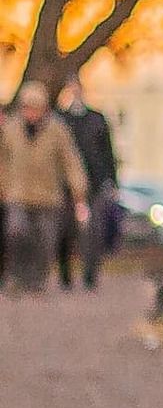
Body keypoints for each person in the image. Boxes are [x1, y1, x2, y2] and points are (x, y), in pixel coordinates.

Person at [0, 81, 89, 293]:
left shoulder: (57, 130)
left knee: (45, 241)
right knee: (16, 233)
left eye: (34, 108)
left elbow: (71, 161)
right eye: (26, 108)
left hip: (48, 197)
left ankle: (37, 281)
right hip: (17, 194)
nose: (30, 113)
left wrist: (78, 189)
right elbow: (2, 159)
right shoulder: (10, 129)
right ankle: (17, 278)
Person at [57, 76, 119, 289]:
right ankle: (66, 276)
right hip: (65, 186)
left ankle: (90, 276)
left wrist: (111, 181)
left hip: (94, 183)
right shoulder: (60, 120)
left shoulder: (96, 119)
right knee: (66, 231)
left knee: (94, 231)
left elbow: (108, 153)